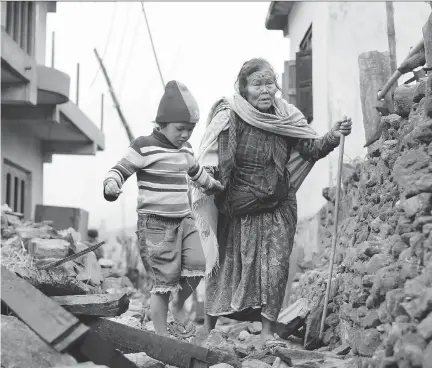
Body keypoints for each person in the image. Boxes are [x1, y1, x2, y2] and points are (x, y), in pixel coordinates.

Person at [191, 58, 352, 348]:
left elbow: (311, 148)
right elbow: (214, 156)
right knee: (224, 266)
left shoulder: (286, 116)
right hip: (237, 206)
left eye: (270, 83)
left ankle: (266, 334)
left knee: (276, 269)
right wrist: (210, 183)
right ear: (243, 88)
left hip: (278, 204)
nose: (265, 90)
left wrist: (333, 135)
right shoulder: (230, 114)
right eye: (257, 84)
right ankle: (209, 327)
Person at [103, 80, 224, 337]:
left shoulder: (186, 150)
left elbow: (198, 174)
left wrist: (215, 185)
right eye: (180, 129)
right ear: (162, 123)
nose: (185, 135)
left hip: (184, 220)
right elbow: (120, 170)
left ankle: (179, 306)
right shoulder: (143, 146)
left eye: (190, 130)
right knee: (164, 283)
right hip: (155, 226)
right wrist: (111, 184)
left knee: (199, 263)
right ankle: (161, 336)